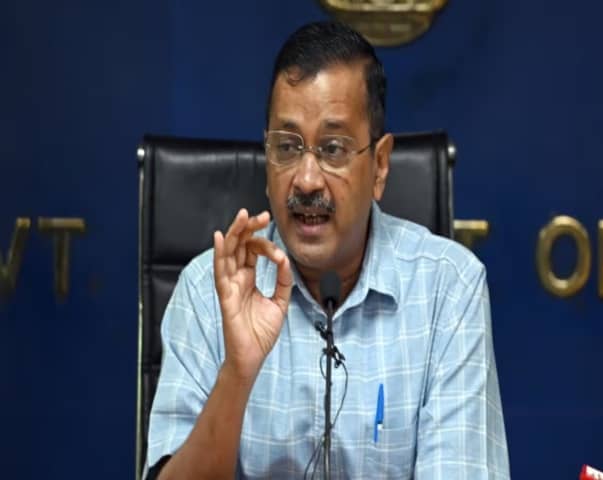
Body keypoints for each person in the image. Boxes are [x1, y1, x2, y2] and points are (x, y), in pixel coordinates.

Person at [145, 21, 510, 479]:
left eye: (333, 149)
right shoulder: (207, 292)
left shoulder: (447, 289)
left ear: (380, 166)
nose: (306, 180)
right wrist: (237, 373)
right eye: (287, 147)